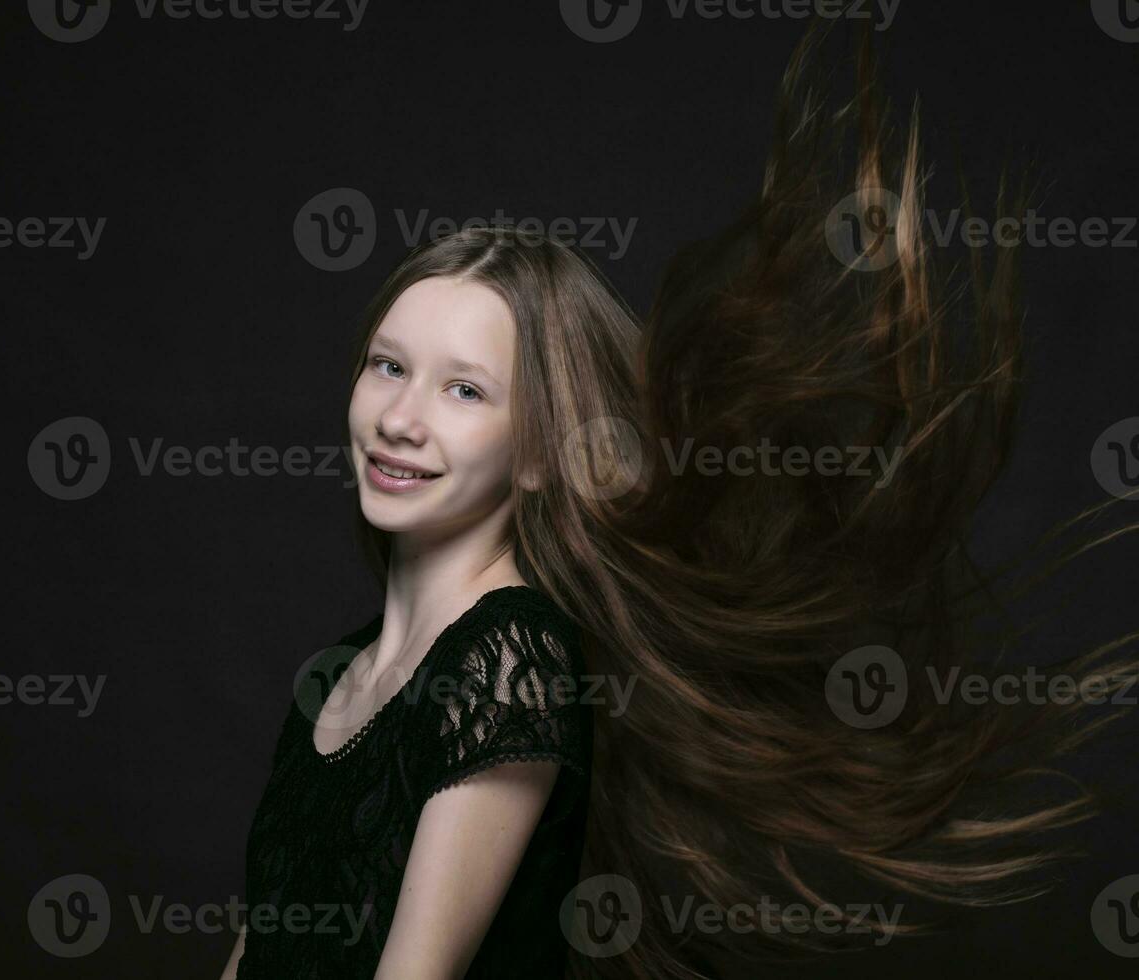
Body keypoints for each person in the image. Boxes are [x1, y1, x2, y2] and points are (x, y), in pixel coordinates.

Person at [222, 25, 1138, 980]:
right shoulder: (339, 672)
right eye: (387, 366)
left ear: (540, 455)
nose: (401, 418)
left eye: (465, 391)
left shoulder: (509, 659)